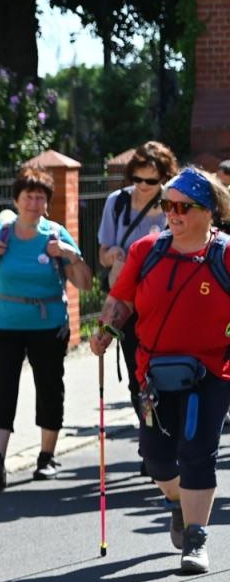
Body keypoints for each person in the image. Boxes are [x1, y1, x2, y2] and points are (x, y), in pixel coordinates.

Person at [92, 167, 230, 575]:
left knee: (198, 452)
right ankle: (176, 501)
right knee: (157, 460)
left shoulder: (224, 254)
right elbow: (122, 301)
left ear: (208, 211)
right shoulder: (147, 250)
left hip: (211, 372)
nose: (173, 213)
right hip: (153, 374)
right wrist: (105, 330)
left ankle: (195, 538)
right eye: (168, 205)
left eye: (183, 206)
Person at [0, 166, 94, 488]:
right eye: (28, 197)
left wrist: (70, 256)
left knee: (50, 388)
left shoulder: (55, 235)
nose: (34, 204)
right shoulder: (0, 234)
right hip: (2, 325)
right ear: (16, 199)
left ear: (47, 203)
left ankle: (46, 457)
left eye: (40, 198)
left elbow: (86, 284)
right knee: (2, 391)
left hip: (47, 327)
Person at [97, 141, 176, 417]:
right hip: (127, 301)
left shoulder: (174, 206)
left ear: (165, 177)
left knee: (167, 369)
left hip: (165, 303)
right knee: (136, 374)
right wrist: (114, 256)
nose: (142, 185)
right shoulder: (117, 203)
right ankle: (149, 434)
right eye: (137, 178)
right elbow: (102, 253)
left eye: (151, 180)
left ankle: (166, 433)